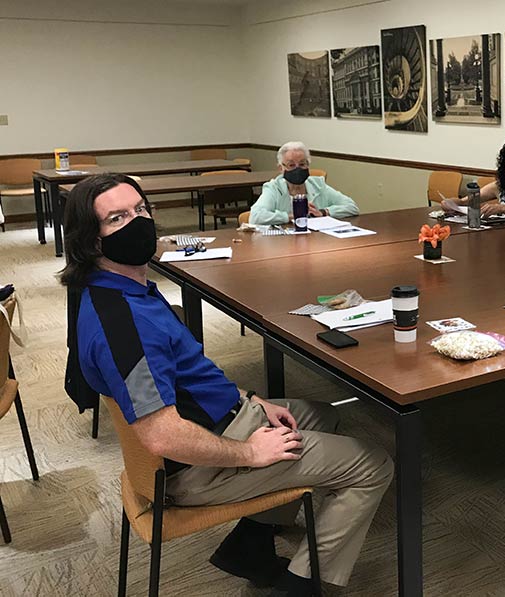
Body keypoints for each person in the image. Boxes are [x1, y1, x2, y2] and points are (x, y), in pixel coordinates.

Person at [60, 174, 392, 597]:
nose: (138, 222)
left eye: (140, 209)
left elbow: (190, 375)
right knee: (373, 465)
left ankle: (250, 547)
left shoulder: (126, 287)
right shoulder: (125, 325)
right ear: (91, 241)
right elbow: (162, 436)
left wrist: (251, 399)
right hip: (192, 465)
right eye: (117, 218)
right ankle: (301, 587)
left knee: (320, 415)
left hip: (220, 417)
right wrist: (250, 453)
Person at [249, 141, 359, 225]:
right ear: (281, 168)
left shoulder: (318, 185)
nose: (297, 169)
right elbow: (256, 217)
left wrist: (323, 212)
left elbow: (352, 207)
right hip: (284, 242)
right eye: (291, 165)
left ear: (308, 165)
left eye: (302, 164)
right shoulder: (274, 188)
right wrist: (291, 216)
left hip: (317, 240)